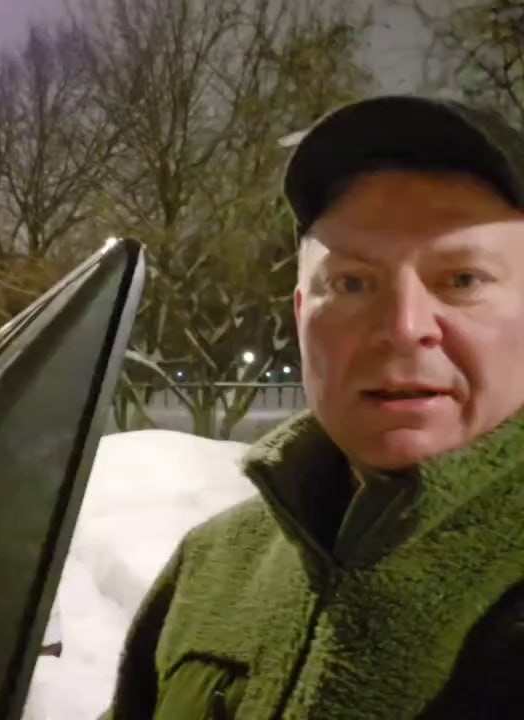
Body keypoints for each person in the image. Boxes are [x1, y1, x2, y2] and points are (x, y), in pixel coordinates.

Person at [102, 95, 524, 719]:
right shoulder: (213, 566)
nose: (403, 328)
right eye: (351, 283)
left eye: (462, 280)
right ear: (301, 315)